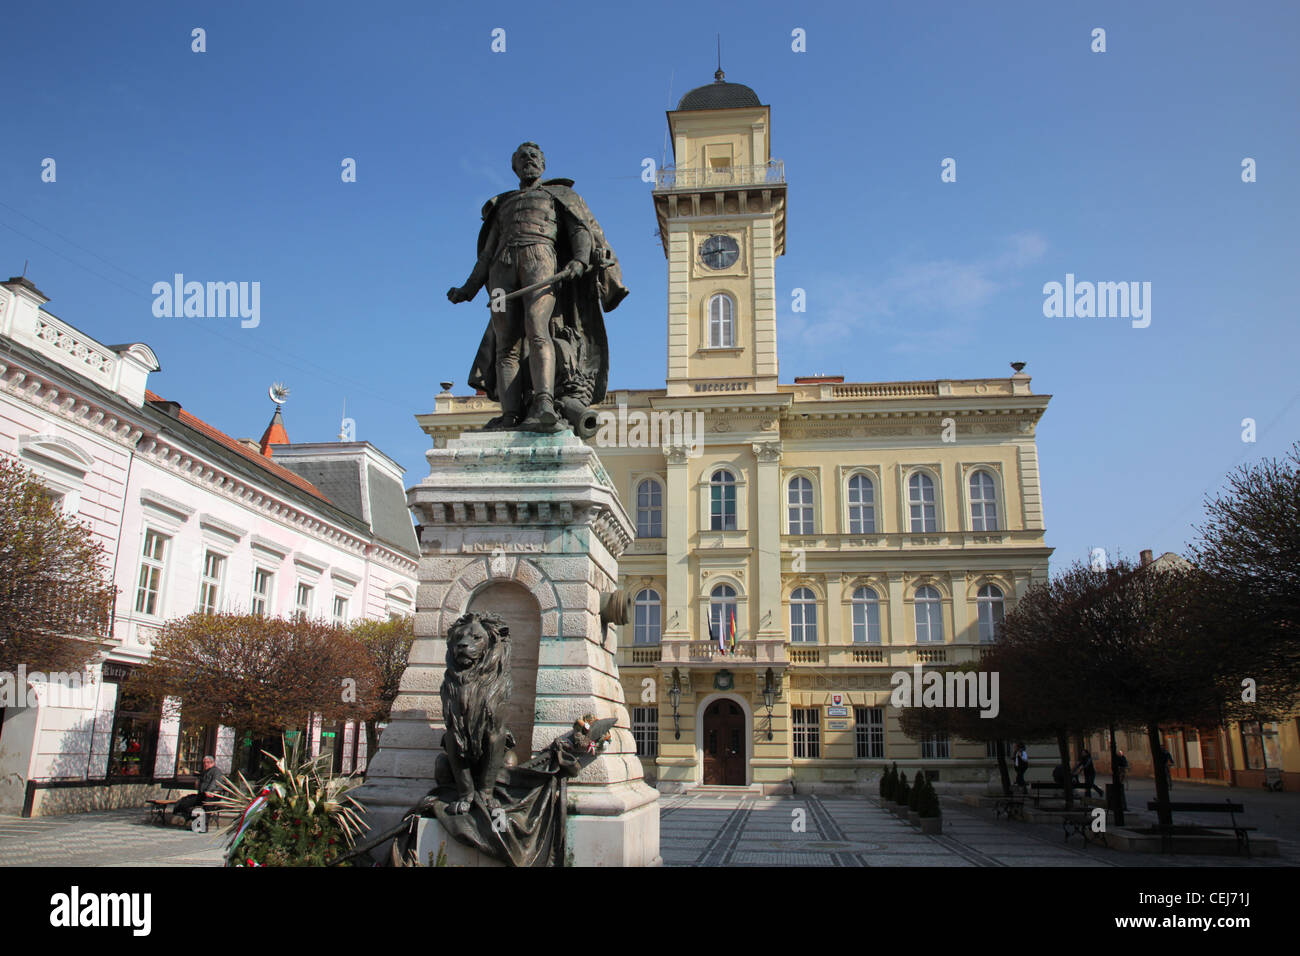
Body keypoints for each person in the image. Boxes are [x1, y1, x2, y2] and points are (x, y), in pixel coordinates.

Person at [173, 756, 223, 825]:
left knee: (207, 804)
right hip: (202, 794)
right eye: (204, 763)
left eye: (208, 762)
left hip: (213, 795)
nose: (205, 764)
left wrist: (208, 791)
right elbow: (199, 778)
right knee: (184, 802)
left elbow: (214, 782)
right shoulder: (205, 771)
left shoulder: (216, 771)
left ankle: (203, 826)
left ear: (213, 763)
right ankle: (194, 818)